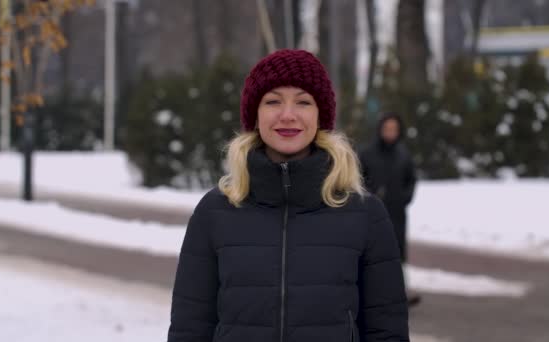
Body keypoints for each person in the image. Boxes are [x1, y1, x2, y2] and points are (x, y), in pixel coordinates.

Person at [166, 49, 409, 342]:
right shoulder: (215, 211)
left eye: (303, 102)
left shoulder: (365, 213)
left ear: (320, 116)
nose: (288, 115)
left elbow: (387, 330)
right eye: (273, 101)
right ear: (255, 115)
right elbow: (190, 327)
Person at [358, 113, 418, 306]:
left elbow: (411, 179)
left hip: (397, 214)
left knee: (397, 253)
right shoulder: (367, 153)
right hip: (370, 214)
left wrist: (404, 198)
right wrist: (367, 197)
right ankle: (367, 293)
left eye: (394, 129)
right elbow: (356, 178)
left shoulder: (404, 155)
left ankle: (400, 293)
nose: (390, 132)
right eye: (387, 128)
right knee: (370, 252)